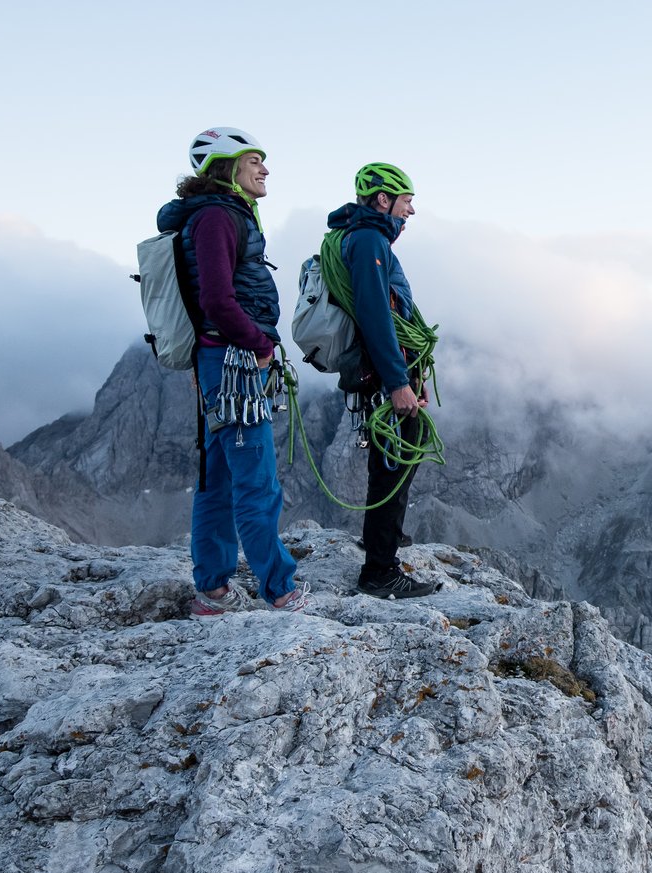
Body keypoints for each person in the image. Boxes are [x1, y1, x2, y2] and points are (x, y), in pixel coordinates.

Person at [157, 127, 307, 616]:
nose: (264, 169)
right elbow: (217, 299)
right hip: (234, 361)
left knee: (217, 474)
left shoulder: (212, 215)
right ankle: (281, 590)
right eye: (254, 161)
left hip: (217, 360)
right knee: (255, 478)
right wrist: (260, 342)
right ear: (227, 167)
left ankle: (213, 589)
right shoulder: (220, 216)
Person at [328, 162, 440, 600]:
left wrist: (413, 374)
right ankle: (380, 569)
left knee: (394, 460)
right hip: (384, 374)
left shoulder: (361, 237)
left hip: (387, 370)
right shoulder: (371, 240)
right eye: (407, 200)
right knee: (394, 462)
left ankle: (385, 540)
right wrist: (398, 381)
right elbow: (376, 315)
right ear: (383, 200)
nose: (410, 211)